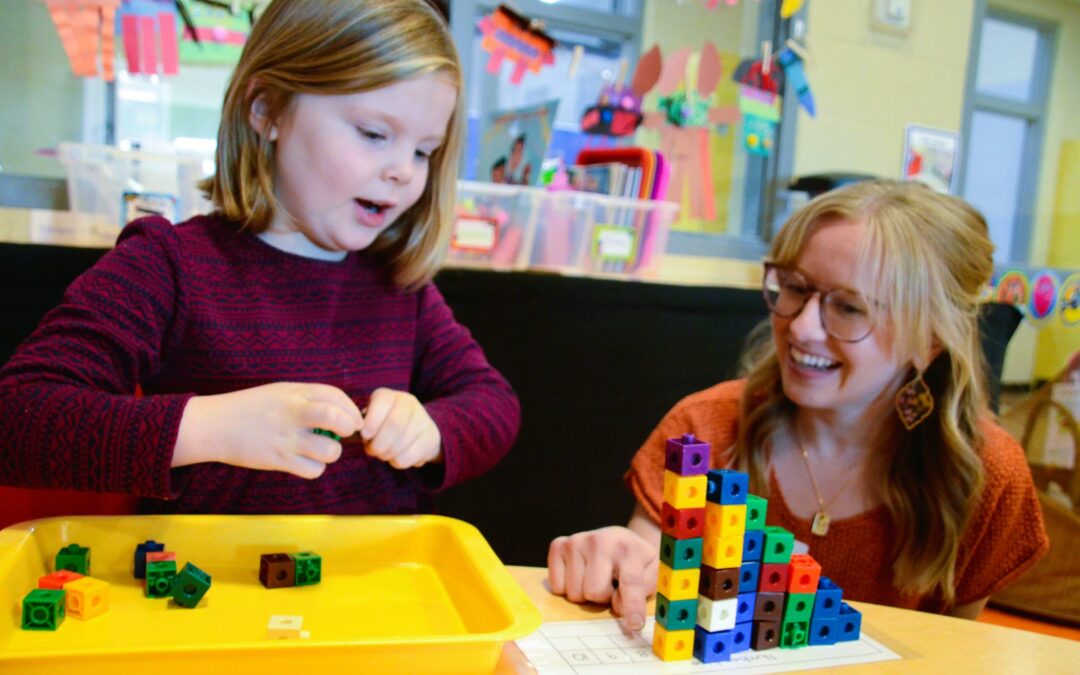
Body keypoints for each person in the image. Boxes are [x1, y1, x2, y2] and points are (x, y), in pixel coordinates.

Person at [0, 0, 520, 516]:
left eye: (423, 151)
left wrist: (430, 430)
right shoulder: (170, 264)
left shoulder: (400, 288)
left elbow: (494, 404)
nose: (404, 171)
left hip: (367, 590)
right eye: (374, 134)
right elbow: (17, 418)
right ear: (267, 110)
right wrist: (213, 427)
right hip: (205, 590)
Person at [547, 180, 1048, 630]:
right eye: (794, 288)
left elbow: (957, 653)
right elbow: (645, 580)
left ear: (931, 340)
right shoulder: (703, 428)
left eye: (849, 307)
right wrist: (615, 563)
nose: (802, 327)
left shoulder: (986, 476)